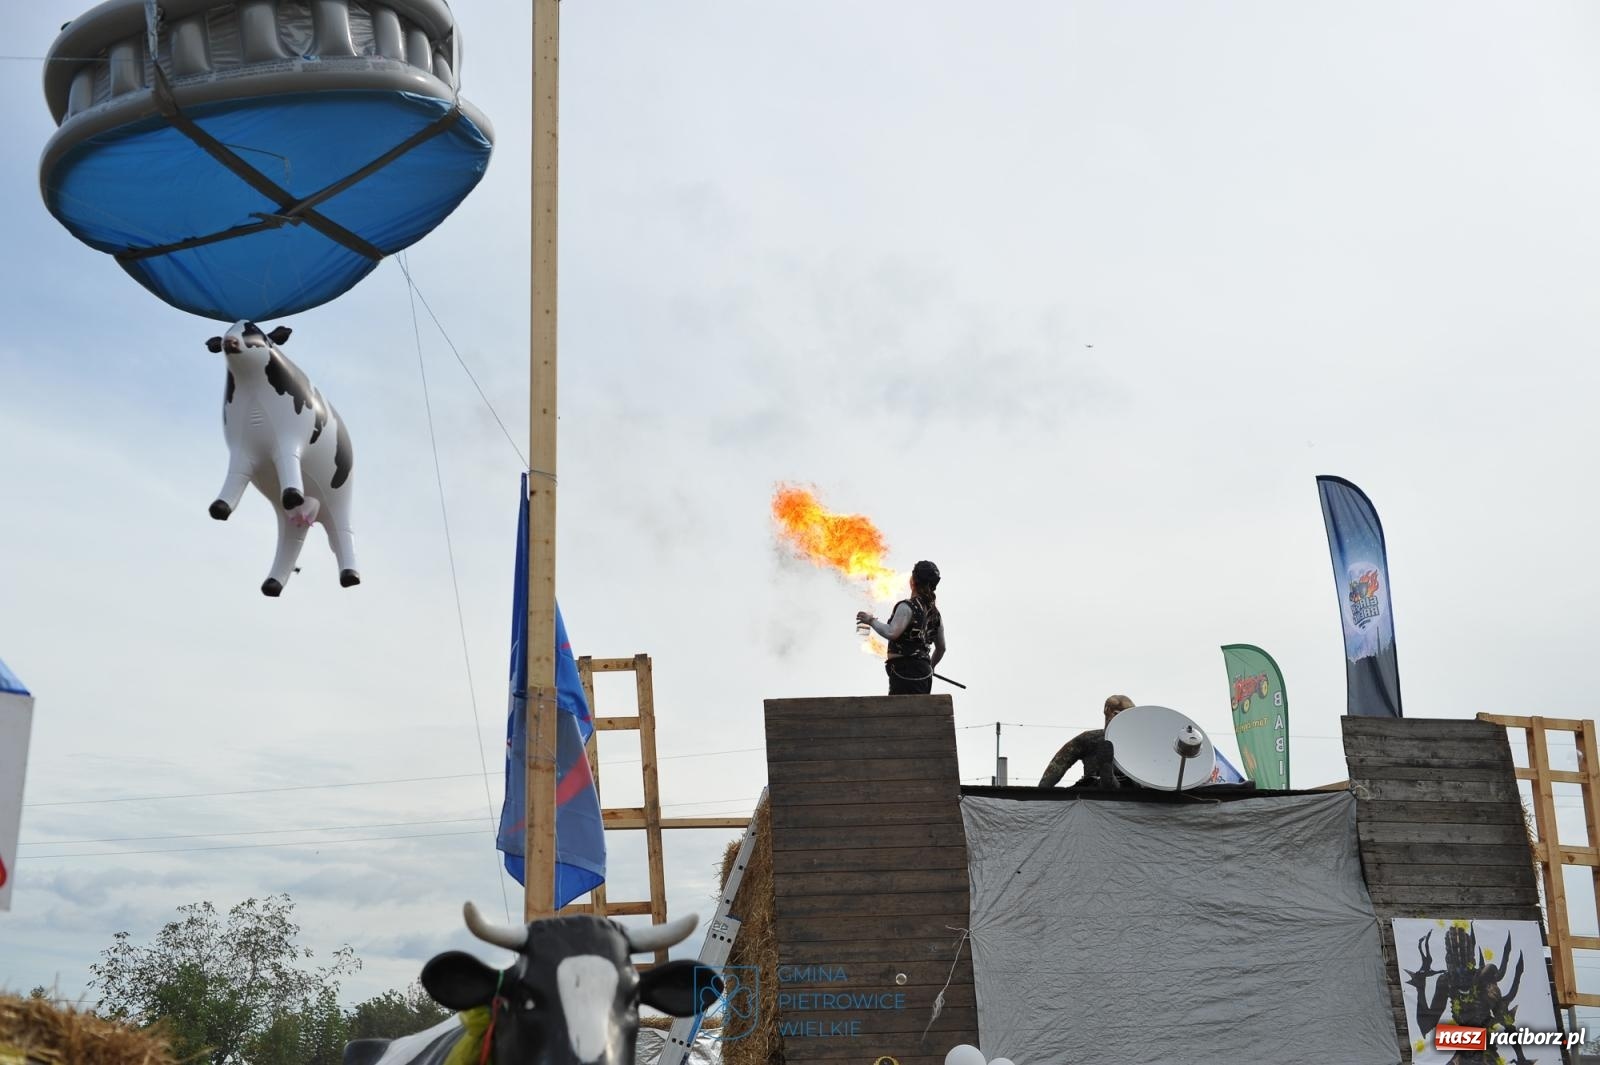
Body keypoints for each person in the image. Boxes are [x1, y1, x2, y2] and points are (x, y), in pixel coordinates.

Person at [856, 560, 945, 695]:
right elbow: (941, 648)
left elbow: (892, 632)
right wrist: (931, 666)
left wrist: (871, 621)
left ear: (913, 581)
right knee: (917, 709)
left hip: (905, 672)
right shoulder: (935, 615)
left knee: (901, 708)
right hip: (924, 675)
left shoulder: (908, 607)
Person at [1038, 694, 1135, 788]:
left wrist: (1042, 789)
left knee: (1118, 784)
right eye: (1116, 714)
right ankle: (1107, 775)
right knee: (1103, 783)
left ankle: (1108, 776)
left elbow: (1059, 763)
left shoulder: (1137, 741)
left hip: (1128, 786)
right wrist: (1043, 788)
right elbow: (1060, 762)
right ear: (1107, 711)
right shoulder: (1089, 738)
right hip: (1095, 784)